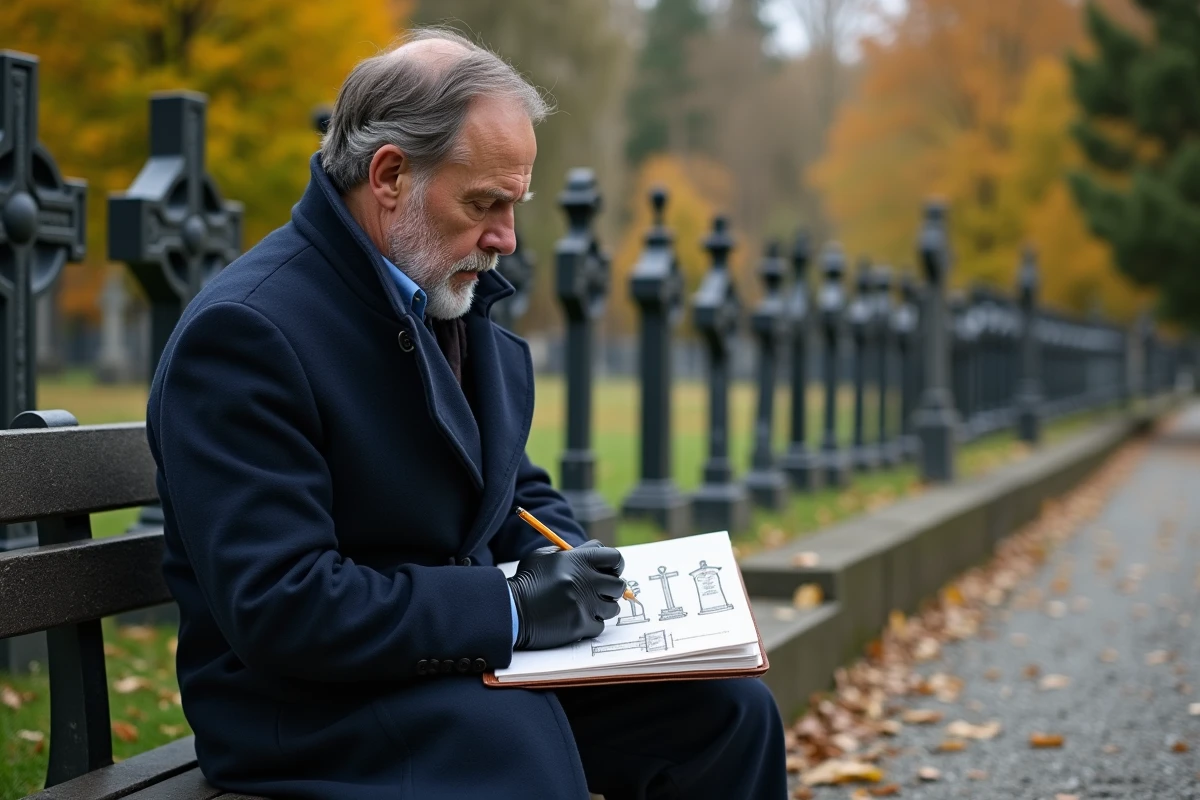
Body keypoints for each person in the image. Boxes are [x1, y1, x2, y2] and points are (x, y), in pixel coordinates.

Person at [146, 27, 787, 799]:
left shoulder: (437, 290)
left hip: (450, 658)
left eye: (514, 205)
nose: (506, 238)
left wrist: (575, 566)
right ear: (390, 175)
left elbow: (508, 488)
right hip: (304, 706)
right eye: (485, 203)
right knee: (514, 744)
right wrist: (509, 607)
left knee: (726, 713)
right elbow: (282, 605)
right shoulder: (247, 332)